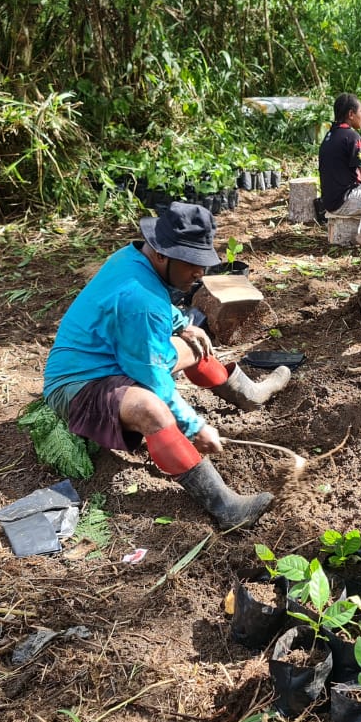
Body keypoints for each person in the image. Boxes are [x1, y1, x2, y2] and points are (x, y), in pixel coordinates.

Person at [43, 202, 291, 529]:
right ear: (162, 255)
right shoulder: (139, 301)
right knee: (151, 409)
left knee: (195, 343)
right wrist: (195, 427)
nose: (200, 273)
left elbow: (159, 309)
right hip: (77, 386)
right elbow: (155, 380)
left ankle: (249, 395)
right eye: (192, 264)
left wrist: (183, 324)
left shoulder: (134, 260)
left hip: (111, 358)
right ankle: (226, 508)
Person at [317, 93, 361, 250]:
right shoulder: (352, 137)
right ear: (351, 114)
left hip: (330, 200)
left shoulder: (330, 135)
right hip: (344, 200)